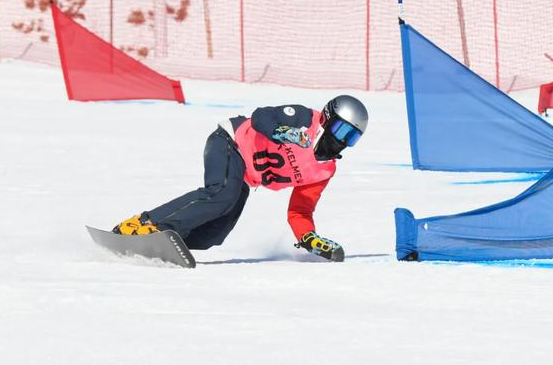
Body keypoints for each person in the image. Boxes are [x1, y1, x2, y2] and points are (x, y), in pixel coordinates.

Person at [113, 95, 369, 262]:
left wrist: (308, 238)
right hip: (230, 142)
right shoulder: (304, 119)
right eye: (341, 130)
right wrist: (281, 130)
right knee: (221, 194)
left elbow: (300, 210)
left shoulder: (324, 171)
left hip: (246, 175)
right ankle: (143, 224)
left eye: (352, 137)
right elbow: (261, 116)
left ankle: (160, 244)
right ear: (327, 118)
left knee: (214, 234)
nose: (342, 141)